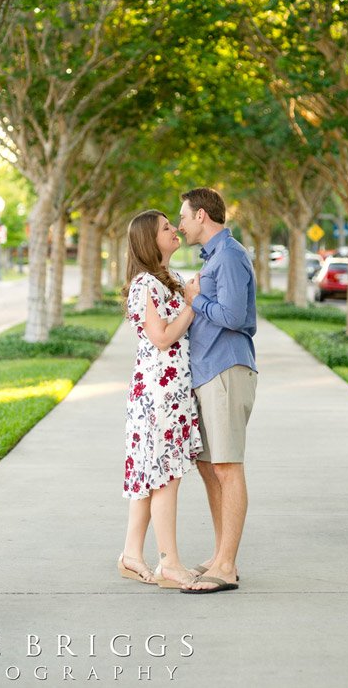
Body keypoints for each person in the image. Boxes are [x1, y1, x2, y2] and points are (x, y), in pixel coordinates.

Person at [177, 187, 257, 594]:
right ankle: (221, 554)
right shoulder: (214, 258)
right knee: (209, 467)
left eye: (184, 217)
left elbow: (235, 316)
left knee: (227, 466)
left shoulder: (229, 255)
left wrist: (196, 298)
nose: (181, 225)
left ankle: (226, 566)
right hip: (208, 371)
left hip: (227, 368)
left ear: (203, 216)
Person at [118, 209, 203, 588]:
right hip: (157, 395)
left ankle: (131, 555)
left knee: (152, 476)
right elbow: (162, 337)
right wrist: (191, 304)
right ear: (148, 241)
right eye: (165, 228)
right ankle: (169, 563)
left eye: (172, 224)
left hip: (173, 392)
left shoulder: (171, 279)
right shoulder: (144, 285)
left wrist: (188, 298)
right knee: (165, 477)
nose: (174, 230)